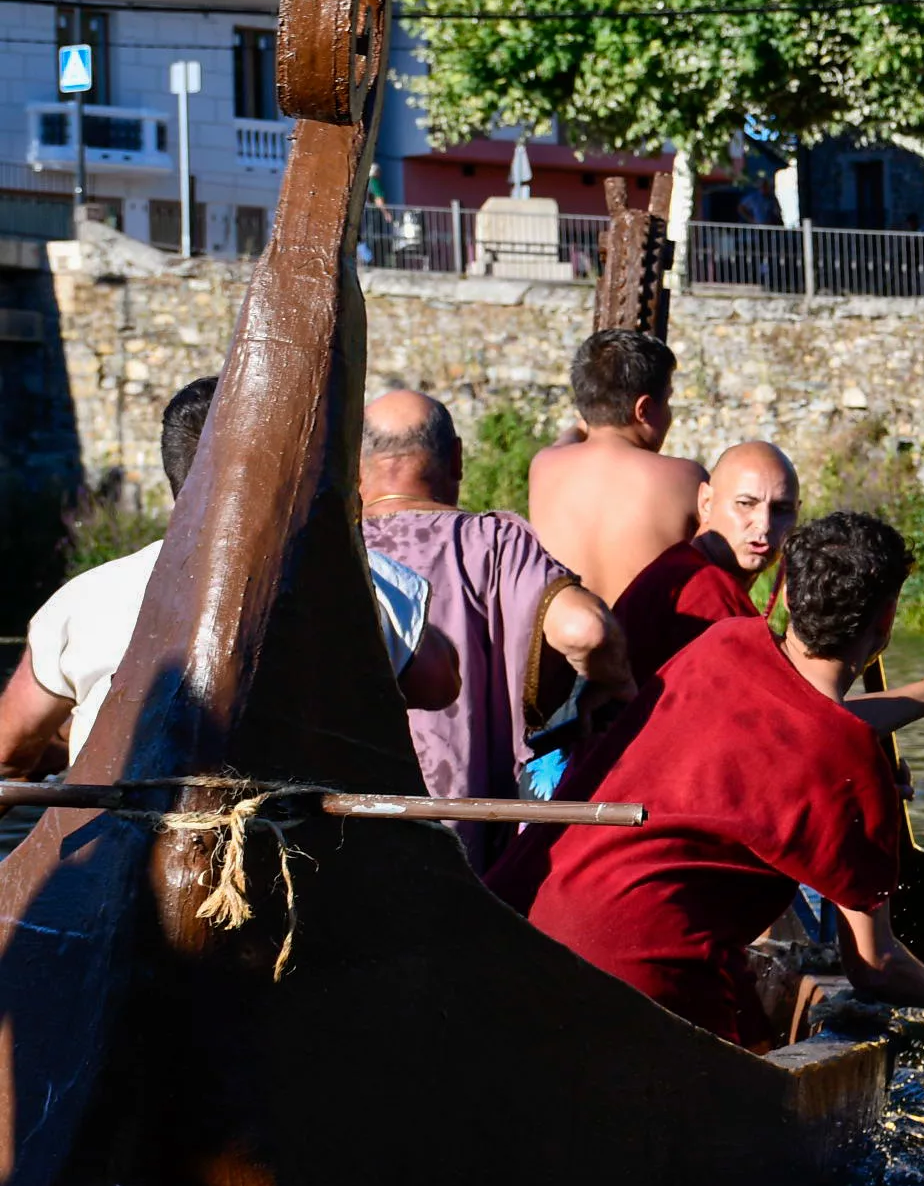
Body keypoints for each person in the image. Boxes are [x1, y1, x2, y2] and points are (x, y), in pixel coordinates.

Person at [489, 511, 924, 1051]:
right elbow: (876, 965)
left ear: (790, 595)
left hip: (518, 917)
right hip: (639, 973)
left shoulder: (724, 645)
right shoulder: (851, 771)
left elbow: (815, 719)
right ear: (886, 620)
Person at [1, 379, 458, 778]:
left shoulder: (85, 599)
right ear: (284, 469)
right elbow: (440, 685)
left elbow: (8, 755)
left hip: (121, 852)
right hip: (313, 857)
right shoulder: (366, 580)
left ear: (176, 474)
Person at [359, 389, 630, 860]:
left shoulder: (316, 552)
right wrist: (616, 686)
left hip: (339, 839)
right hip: (462, 848)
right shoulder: (493, 544)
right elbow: (585, 630)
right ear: (457, 458)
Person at [526, 329, 707, 605]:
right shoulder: (687, 479)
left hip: (560, 644)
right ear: (643, 410)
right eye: (667, 400)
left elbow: (567, 438)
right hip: (652, 646)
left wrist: (584, 422)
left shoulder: (544, 465)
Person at [610, 440, 800, 692]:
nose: (764, 524)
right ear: (706, 503)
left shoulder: (689, 568)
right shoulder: (703, 589)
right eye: (745, 503)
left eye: (781, 509)